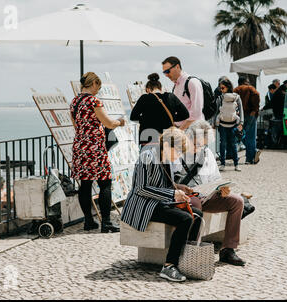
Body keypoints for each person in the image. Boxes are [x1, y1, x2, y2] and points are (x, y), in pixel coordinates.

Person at [120, 127, 204, 282]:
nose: (178, 156)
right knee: (185, 219)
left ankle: (185, 258)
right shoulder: (147, 157)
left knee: (197, 215)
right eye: (178, 151)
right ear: (167, 145)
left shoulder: (164, 157)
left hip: (157, 202)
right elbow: (140, 189)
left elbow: (163, 185)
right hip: (142, 206)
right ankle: (169, 265)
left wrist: (179, 188)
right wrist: (173, 194)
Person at [176, 120, 247, 266]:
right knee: (195, 204)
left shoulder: (207, 153)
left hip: (207, 195)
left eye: (202, 144)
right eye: (196, 143)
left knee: (237, 201)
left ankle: (228, 249)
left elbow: (215, 178)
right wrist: (183, 188)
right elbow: (170, 181)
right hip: (187, 196)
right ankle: (193, 250)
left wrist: (222, 188)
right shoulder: (178, 153)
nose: (199, 147)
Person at [71, 72, 124, 233]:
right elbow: (107, 122)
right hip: (95, 148)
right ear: (93, 83)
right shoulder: (94, 101)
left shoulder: (75, 101)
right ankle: (106, 222)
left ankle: (89, 221)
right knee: (105, 182)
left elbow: (76, 125)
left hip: (80, 146)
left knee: (85, 184)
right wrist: (119, 122)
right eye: (98, 87)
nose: (98, 91)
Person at [131, 73, 189, 146]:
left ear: (148, 89)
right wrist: (172, 117)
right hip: (167, 139)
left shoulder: (144, 98)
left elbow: (133, 117)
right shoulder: (171, 97)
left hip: (148, 140)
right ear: (160, 88)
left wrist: (146, 118)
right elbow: (185, 114)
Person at [162, 56, 204, 130]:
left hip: (193, 130)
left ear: (177, 67)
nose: (166, 75)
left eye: (167, 71)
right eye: (164, 72)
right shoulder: (176, 85)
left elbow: (196, 113)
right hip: (182, 130)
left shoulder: (192, 82)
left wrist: (180, 130)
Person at [215, 78, 244, 172]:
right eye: (220, 88)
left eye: (222, 88)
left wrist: (241, 123)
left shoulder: (236, 97)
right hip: (224, 124)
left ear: (228, 87)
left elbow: (241, 110)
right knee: (224, 144)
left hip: (230, 124)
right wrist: (214, 123)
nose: (221, 90)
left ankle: (236, 164)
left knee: (232, 144)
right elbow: (216, 111)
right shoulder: (221, 97)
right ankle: (223, 163)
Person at [233, 77, 261, 164]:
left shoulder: (235, 90)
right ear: (246, 82)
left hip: (239, 115)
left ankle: (252, 153)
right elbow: (256, 94)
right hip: (251, 114)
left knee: (240, 134)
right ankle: (250, 157)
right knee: (251, 136)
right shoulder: (250, 88)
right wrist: (255, 109)